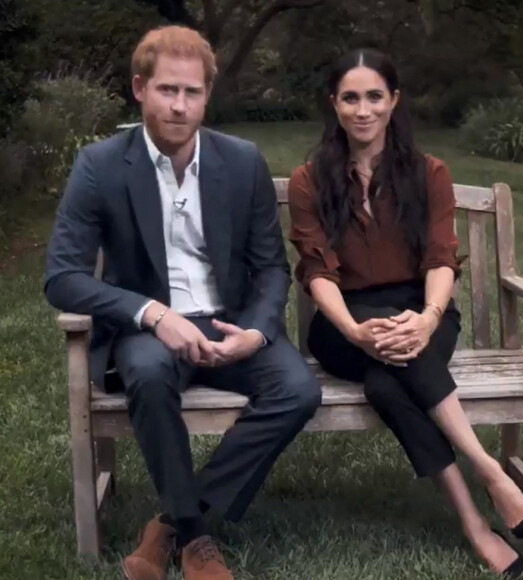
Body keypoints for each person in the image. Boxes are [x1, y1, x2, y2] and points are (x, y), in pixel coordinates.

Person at [45, 25, 321, 580]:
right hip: (152, 331)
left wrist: (257, 334)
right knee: (145, 372)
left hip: (230, 323)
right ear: (140, 88)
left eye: (191, 93)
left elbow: (270, 267)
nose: (179, 105)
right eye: (167, 90)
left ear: (206, 97)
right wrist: (152, 314)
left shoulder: (241, 162)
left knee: (298, 391)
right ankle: (196, 536)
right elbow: (62, 277)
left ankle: (170, 520)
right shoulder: (101, 165)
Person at [288, 48, 523, 577]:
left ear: (394, 100)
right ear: (334, 104)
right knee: (392, 363)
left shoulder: (428, 172)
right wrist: (357, 332)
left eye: (374, 97)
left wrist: (427, 316)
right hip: (344, 322)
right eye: (351, 98)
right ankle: (490, 471)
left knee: (387, 383)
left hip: (421, 305)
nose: (363, 110)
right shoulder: (310, 180)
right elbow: (317, 273)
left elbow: (441, 257)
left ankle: (475, 522)